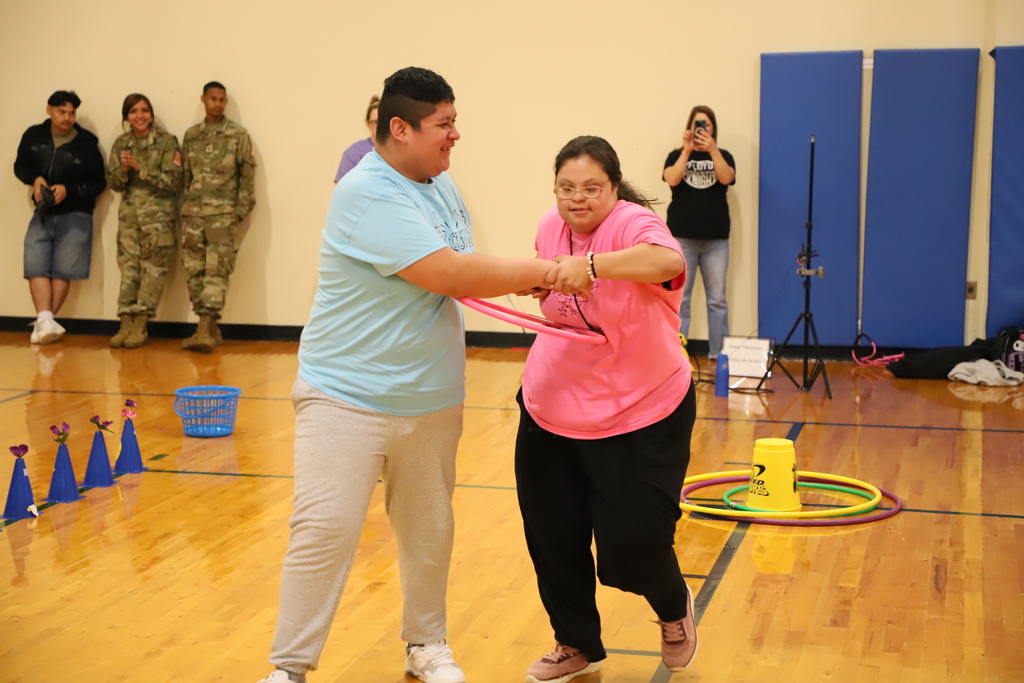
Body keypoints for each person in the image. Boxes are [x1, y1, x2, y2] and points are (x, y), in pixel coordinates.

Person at [257, 67, 558, 683]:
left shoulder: (439, 182)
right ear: (400, 129)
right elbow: (448, 274)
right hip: (345, 395)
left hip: (430, 396)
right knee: (325, 529)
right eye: (443, 125)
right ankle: (289, 668)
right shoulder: (366, 191)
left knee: (429, 530)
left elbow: (461, 266)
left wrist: (518, 278)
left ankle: (427, 646)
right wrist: (549, 272)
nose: (455, 136)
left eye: (454, 122)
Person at [515, 136, 698, 682]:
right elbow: (556, 294)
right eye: (566, 188)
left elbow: (667, 259)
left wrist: (592, 265)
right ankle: (574, 643)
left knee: (635, 543)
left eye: (592, 188)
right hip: (552, 405)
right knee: (552, 533)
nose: (578, 198)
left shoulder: (632, 223)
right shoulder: (551, 226)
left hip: (641, 407)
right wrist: (537, 281)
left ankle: (672, 608)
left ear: (613, 188)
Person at [13, 90, 106, 345]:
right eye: (61, 111)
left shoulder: (87, 143)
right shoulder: (34, 136)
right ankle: (46, 321)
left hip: (76, 212)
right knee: (35, 262)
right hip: (43, 211)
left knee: (64, 268)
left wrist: (70, 190)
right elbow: (19, 166)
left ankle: (43, 322)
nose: (67, 117)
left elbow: (99, 182)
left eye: (71, 112)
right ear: (49, 110)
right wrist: (35, 179)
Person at [180, 80, 256, 352]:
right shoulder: (191, 135)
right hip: (194, 215)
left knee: (216, 271)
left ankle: (204, 327)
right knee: (193, 271)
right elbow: (186, 176)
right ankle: (210, 327)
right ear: (203, 100)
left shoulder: (237, 135)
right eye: (213, 99)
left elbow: (247, 177)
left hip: (221, 216)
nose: (217, 104)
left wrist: (237, 212)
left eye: (222, 99)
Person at [106, 94, 183, 348]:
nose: (139, 116)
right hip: (129, 219)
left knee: (153, 272)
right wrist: (125, 170)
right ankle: (125, 321)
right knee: (128, 270)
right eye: (133, 111)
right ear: (126, 117)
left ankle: (141, 323)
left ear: (151, 114)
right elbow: (114, 184)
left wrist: (141, 168)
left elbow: (174, 181)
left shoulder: (165, 142)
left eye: (144, 110)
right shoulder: (121, 144)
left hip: (158, 220)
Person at [662, 105, 736, 359]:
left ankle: (719, 355)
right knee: (680, 299)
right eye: (697, 124)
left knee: (717, 300)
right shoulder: (676, 155)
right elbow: (671, 178)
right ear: (689, 127)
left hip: (716, 241)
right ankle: (677, 353)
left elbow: (727, 177)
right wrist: (686, 151)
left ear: (713, 128)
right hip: (682, 239)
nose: (701, 128)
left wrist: (712, 149)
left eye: (706, 124)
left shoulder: (723, 155)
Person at [333, 95, 379, 182]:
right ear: (368, 123)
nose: (381, 125)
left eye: (384, 121)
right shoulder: (353, 153)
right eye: (376, 121)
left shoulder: (399, 150)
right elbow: (342, 188)